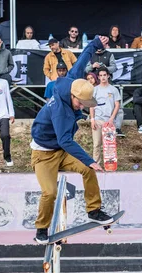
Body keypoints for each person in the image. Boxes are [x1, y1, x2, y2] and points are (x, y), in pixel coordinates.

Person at [30, 35, 114, 244]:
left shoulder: (73, 82)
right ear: (74, 98)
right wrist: (89, 159)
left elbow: (82, 59)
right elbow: (65, 141)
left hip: (60, 149)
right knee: (49, 192)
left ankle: (94, 210)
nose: (82, 107)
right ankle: (41, 229)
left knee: (88, 171)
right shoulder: (61, 112)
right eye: (81, 104)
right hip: (44, 154)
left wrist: (96, 43)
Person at [90, 66, 124, 163]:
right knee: (96, 144)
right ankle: (96, 164)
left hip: (109, 121)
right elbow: (91, 105)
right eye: (101, 75)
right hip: (98, 119)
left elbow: (117, 105)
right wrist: (92, 119)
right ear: (98, 77)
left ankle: (109, 165)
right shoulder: (95, 89)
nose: (103, 77)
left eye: (104, 75)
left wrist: (112, 119)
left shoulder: (113, 89)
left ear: (108, 76)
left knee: (109, 145)